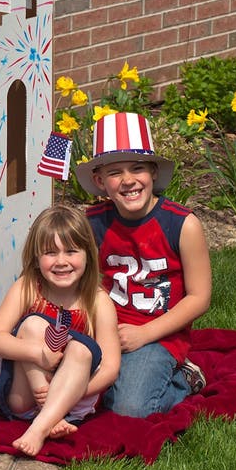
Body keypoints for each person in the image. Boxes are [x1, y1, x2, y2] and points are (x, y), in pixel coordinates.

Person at [78, 111, 212, 418]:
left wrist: (145, 334)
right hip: (104, 329)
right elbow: (83, 283)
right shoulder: (92, 224)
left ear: (152, 172)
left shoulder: (182, 224)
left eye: (137, 168)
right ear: (100, 181)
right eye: (115, 173)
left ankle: (183, 379)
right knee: (61, 386)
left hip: (159, 335)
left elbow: (199, 298)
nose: (127, 180)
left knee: (130, 408)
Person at [0, 204, 121, 457]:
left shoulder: (98, 301)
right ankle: (47, 418)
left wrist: (69, 393)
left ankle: (39, 427)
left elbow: (110, 368)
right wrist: (38, 354)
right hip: (23, 395)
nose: (61, 261)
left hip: (71, 400)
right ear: (36, 257)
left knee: (81, 349)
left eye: (71, 251)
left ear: (89, 254)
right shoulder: (28, 287)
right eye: (50, 253)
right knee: (34, 325)